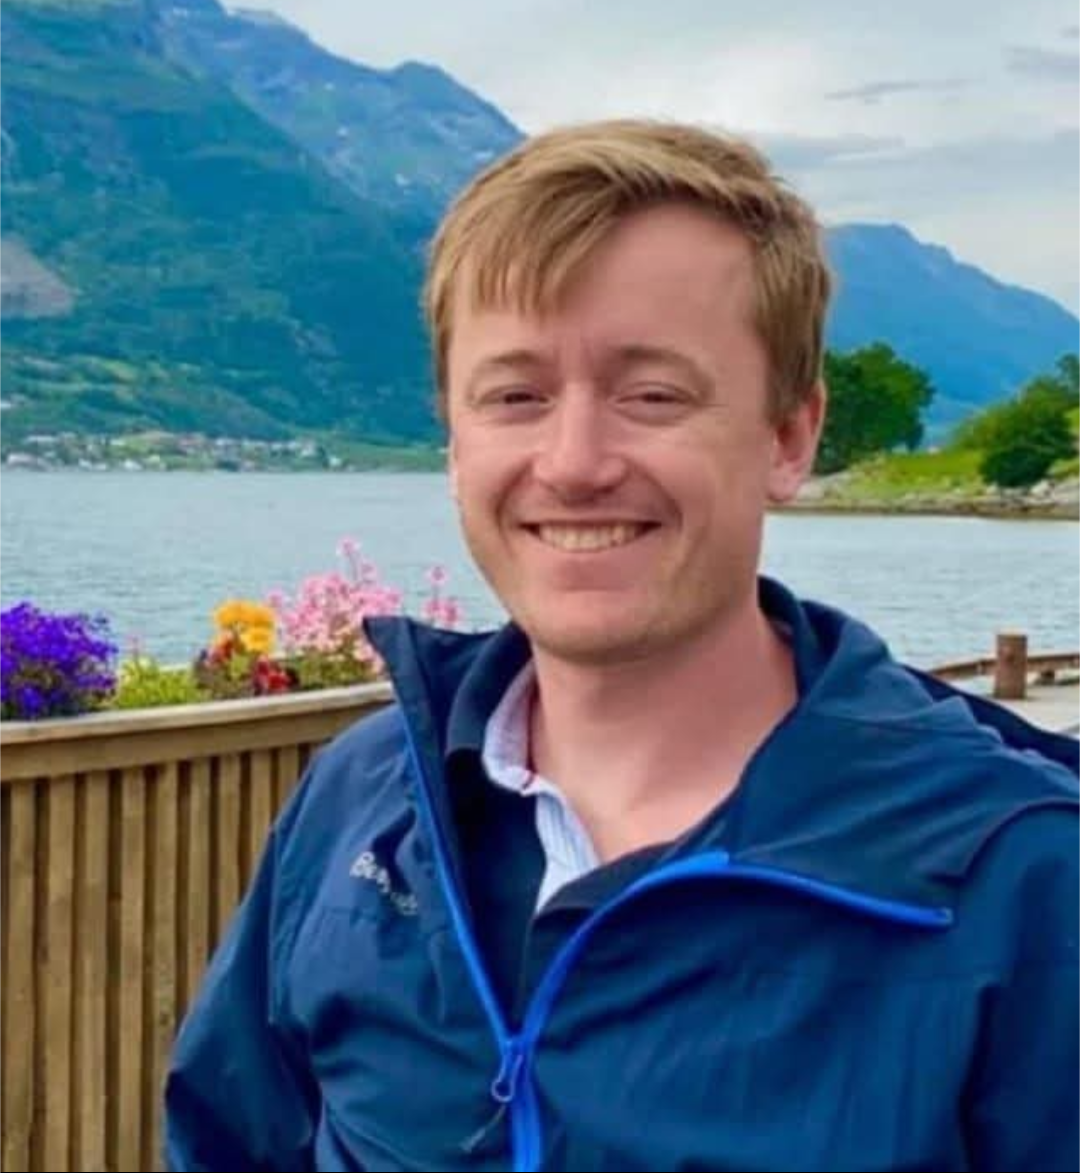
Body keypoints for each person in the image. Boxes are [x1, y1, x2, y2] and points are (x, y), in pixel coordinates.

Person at [163, 119, 1080, 1172]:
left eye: (653, 396)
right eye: (516, 396)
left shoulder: (1023, 878)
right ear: (455, 441)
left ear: (789, 436)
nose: (574, 462)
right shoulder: (362, 801)